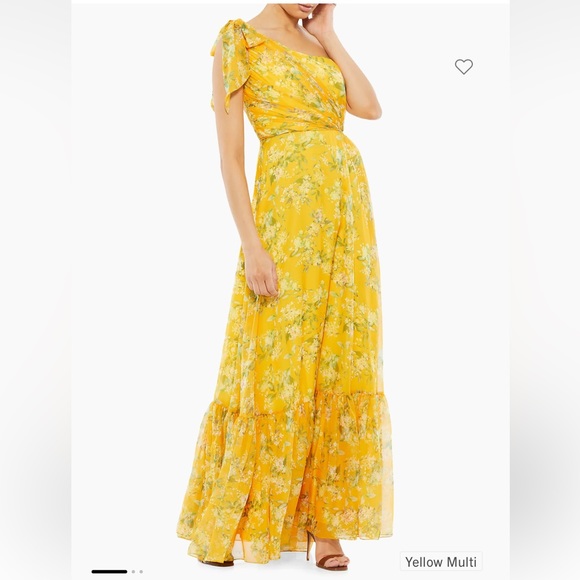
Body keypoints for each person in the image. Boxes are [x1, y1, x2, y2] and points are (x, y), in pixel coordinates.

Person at [176, 3, 393, 570]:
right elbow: (230, 158)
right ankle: (247, 515)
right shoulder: (238, 42)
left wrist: (329, 34)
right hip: (287, 217)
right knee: (279, 362)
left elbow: (369, 107)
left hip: (345, 216)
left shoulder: (319, 40)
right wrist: (253, 246)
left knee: (339, 357)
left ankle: (327, 526)